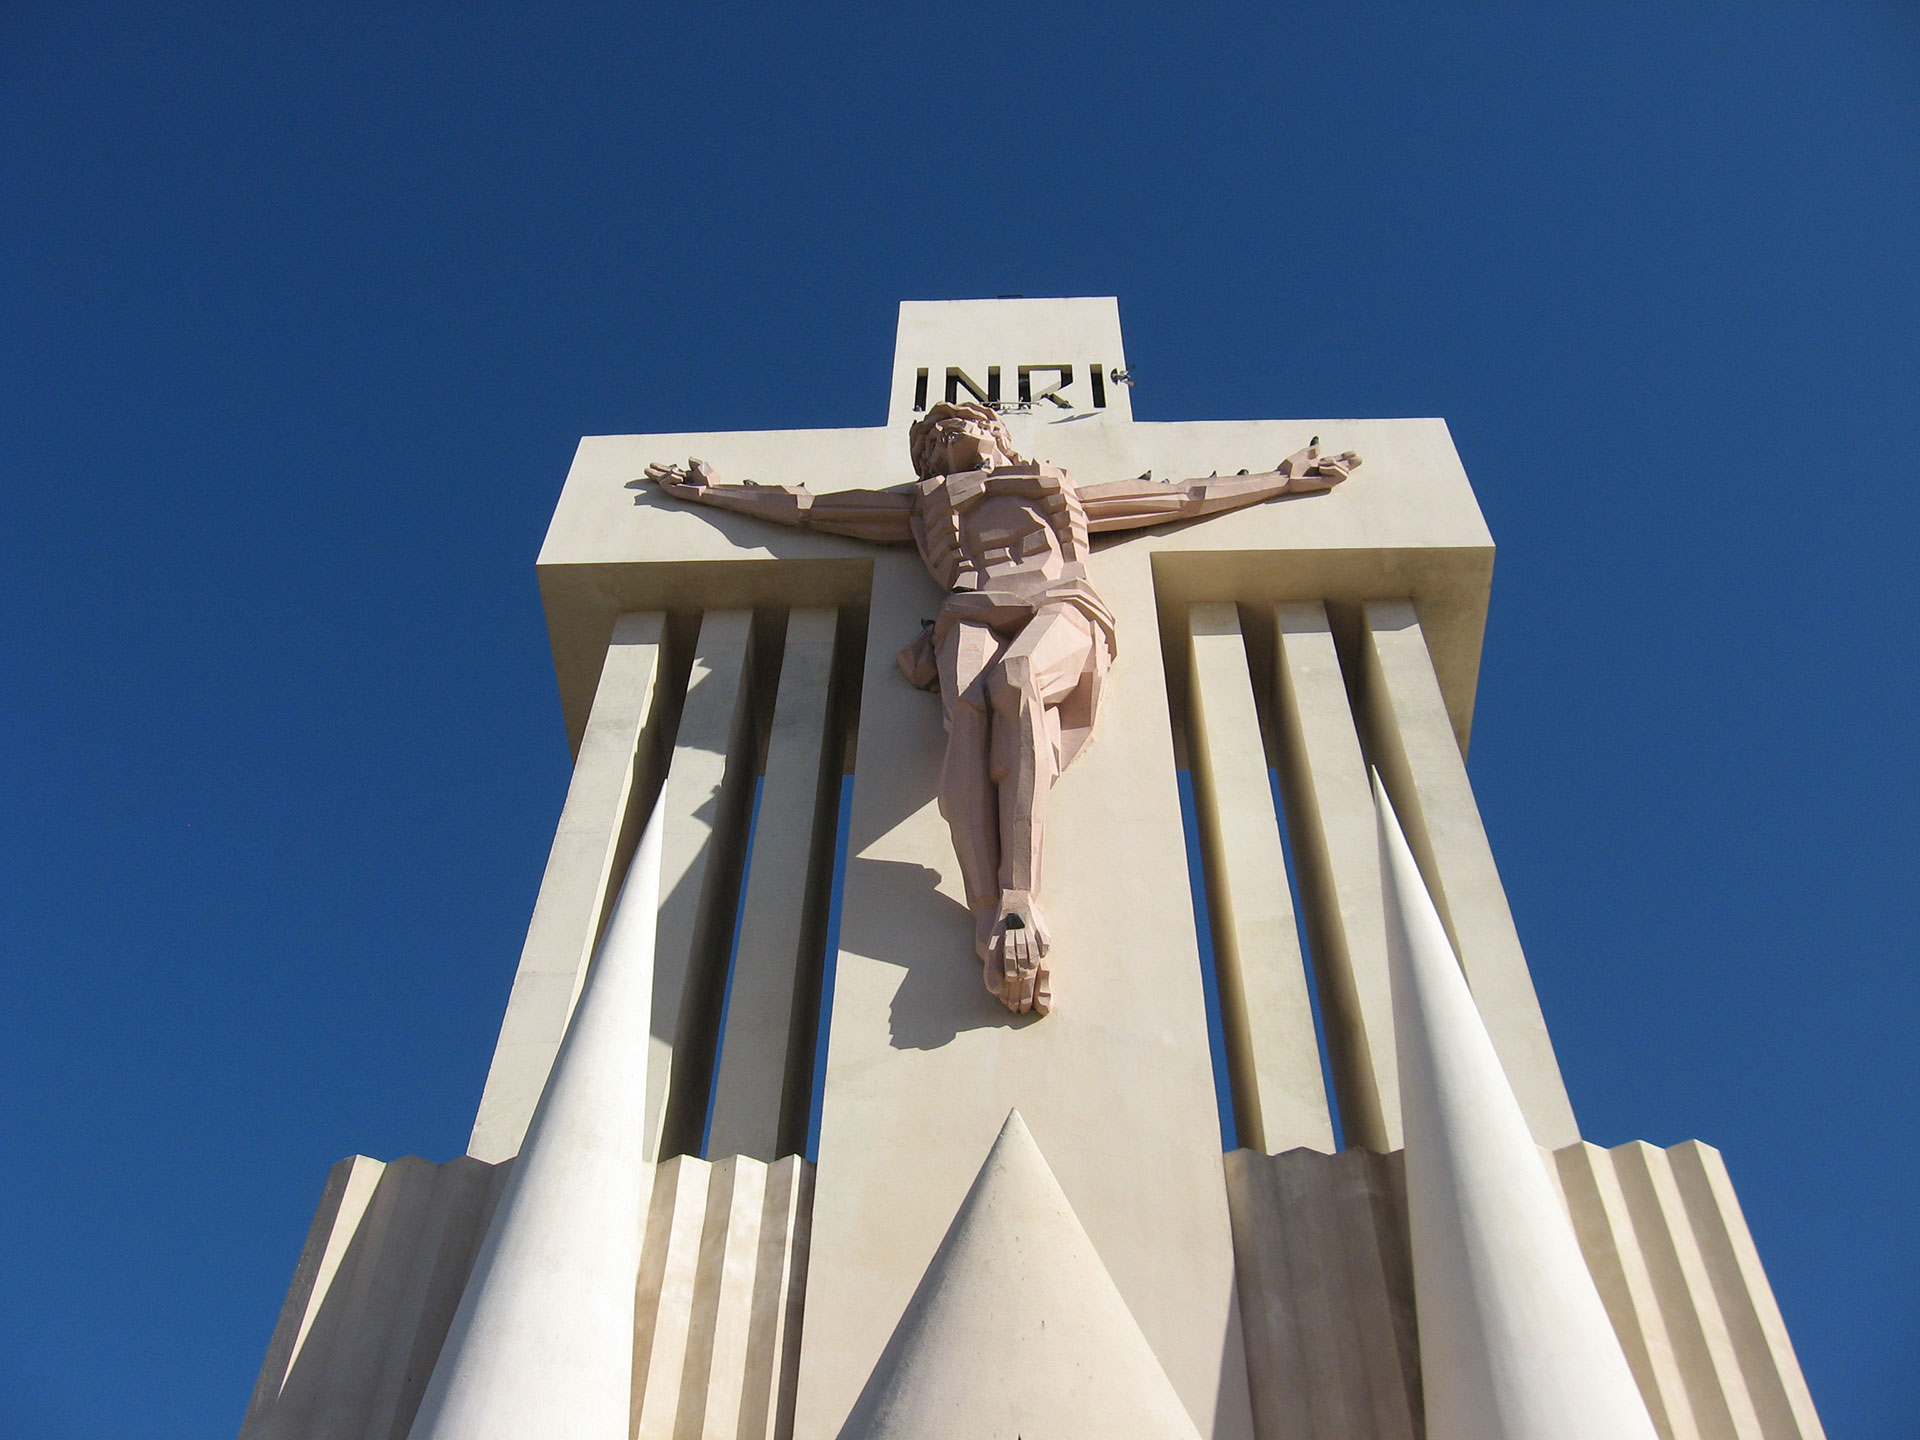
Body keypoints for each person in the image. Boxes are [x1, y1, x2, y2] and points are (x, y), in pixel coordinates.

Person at [646, 402, 1357, 1015]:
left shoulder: (1056, 488)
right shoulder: (924, 504)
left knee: (1015, 681)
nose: (949, 434)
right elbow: (812, 511)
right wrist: (713, 495)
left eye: (962, 423)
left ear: (997, 432)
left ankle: (1021, 893)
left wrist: (1280, 481)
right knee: (968, 721)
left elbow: (1178, 499)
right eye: (934, 436)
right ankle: (991, 910)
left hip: (1060, 605)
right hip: (968, 615)